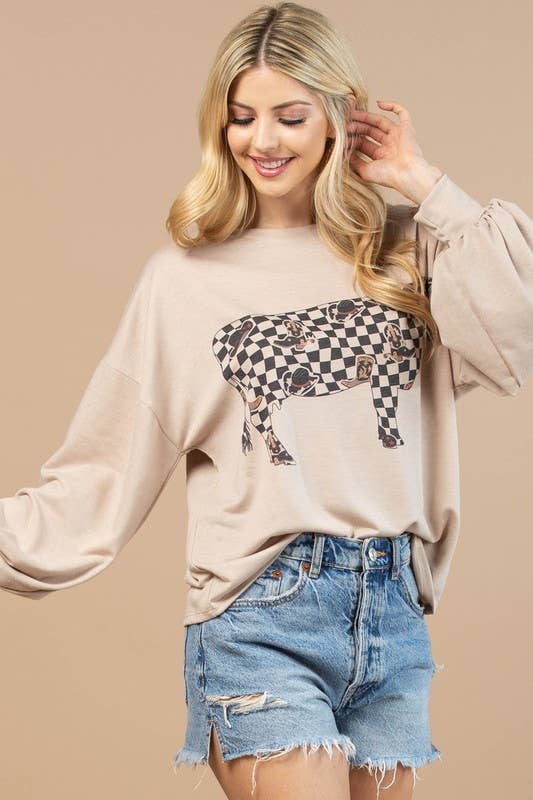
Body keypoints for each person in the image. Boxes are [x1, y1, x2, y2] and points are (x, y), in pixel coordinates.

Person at [2, 2, 532, 799]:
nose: (262, 140)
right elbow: (103, 472)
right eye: (241, 117)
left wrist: (423, 185)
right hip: (262, 614)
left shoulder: (413, 249)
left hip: (393, 616)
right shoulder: (184, 283)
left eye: (289, 116)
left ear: (337, 118)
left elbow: (514, 336)